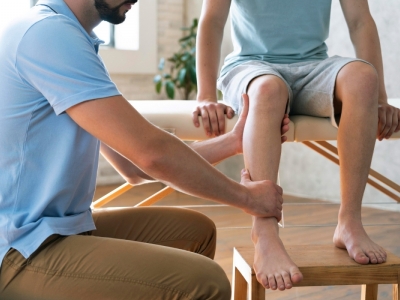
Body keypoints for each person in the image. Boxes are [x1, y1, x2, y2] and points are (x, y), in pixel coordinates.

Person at [0, 0, 290, 299]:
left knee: (195, 233)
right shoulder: (47, 34)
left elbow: (133, 167)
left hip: (56, 229)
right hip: (19, 248)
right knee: (204, 282)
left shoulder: (69, 37)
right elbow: (151, 153)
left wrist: (232, 142)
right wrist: (248, 198)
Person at [193, 0, 400, 292]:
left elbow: (360, 22)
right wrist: (204, 95)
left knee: (362, 77)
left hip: (315, 66)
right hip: (252, 67)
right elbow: (212, 21)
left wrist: (380, 99)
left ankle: (349, 222)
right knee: (268, 89)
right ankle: (264, 231)